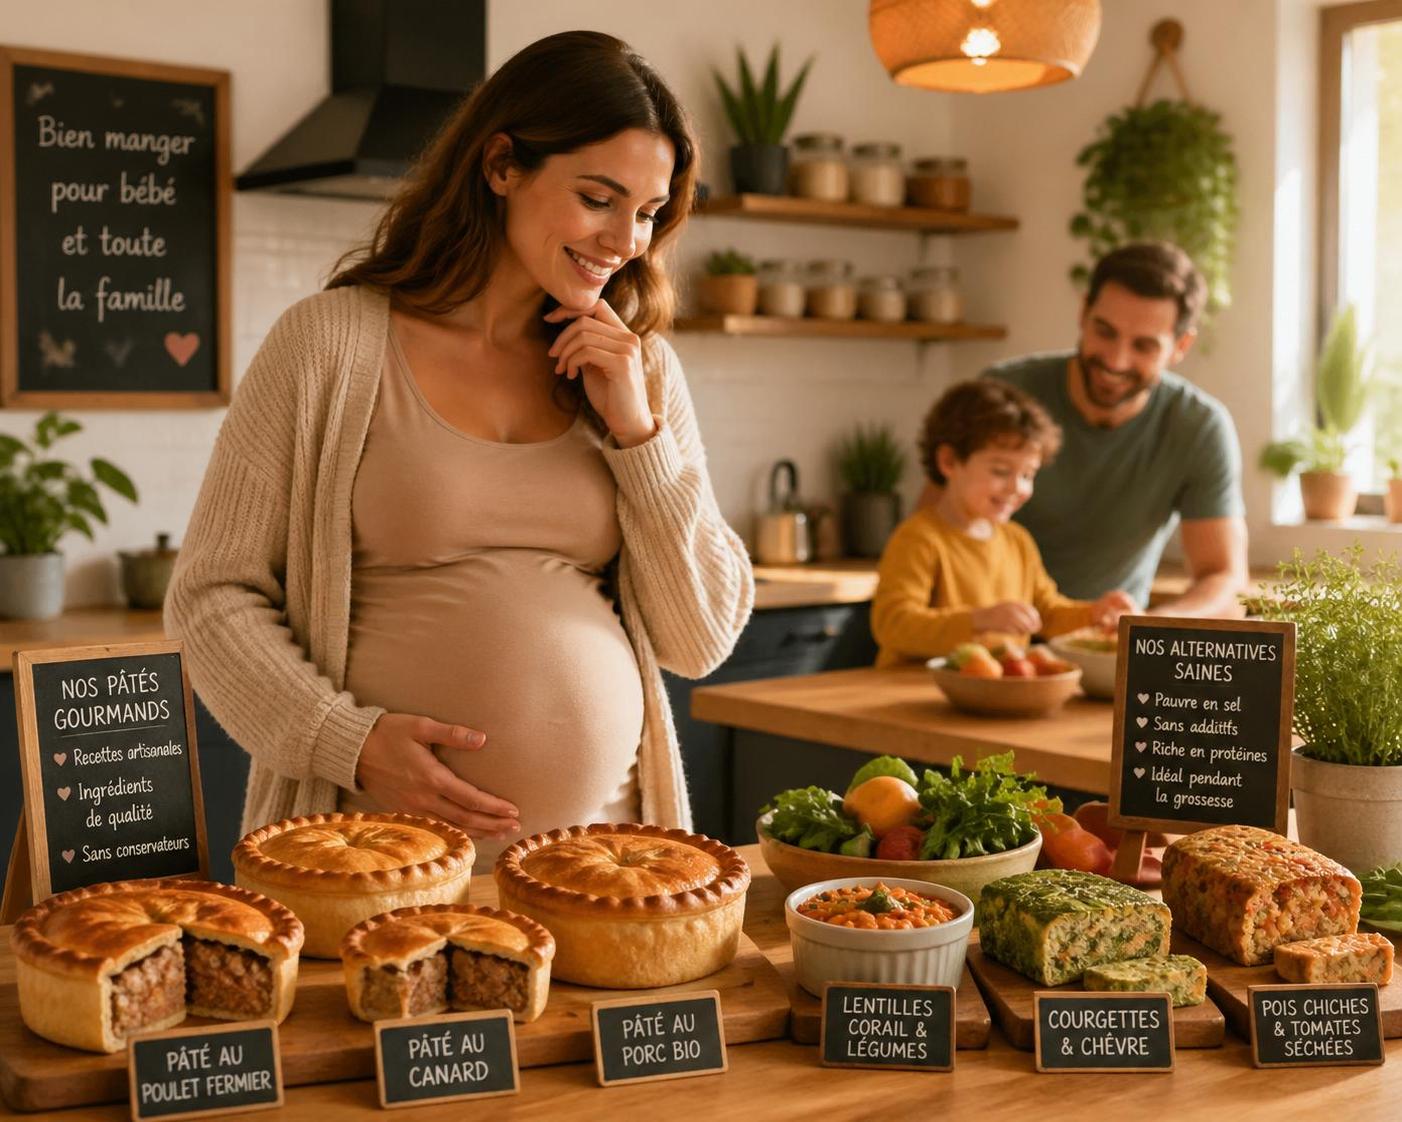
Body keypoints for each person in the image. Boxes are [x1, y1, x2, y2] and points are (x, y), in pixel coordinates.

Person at [164, 31, 753, 869]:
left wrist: (638, 435)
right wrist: (348, 743)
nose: (627, 239)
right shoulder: (328, 346)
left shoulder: (639, 366)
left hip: (607, 863)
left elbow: (699, 640)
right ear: (502, 165)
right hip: (372, 856)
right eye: (598, 198)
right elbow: (210, 598)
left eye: (649, 213)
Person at [929, 242, 1247, 617]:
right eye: (1105, 331)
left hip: (1106, 645)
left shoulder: (1198, 427)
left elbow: (1223, 576)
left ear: (1181, 346)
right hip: (985, 640)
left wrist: (1154, 630)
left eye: (1143, 346)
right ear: (1083, 312)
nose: (1116, 359)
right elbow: (930, 532)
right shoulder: (1004, 394)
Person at [871, 380, 1134, 667]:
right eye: (1001, 471)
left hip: (990, 694)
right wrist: (979, 621)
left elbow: (1046, 613)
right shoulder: (919, 538)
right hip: (908, 697)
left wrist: (1094, 614)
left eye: (1027, 475)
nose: (1016, 487)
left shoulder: (1017, 541)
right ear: (948, 461)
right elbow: (893, 624)